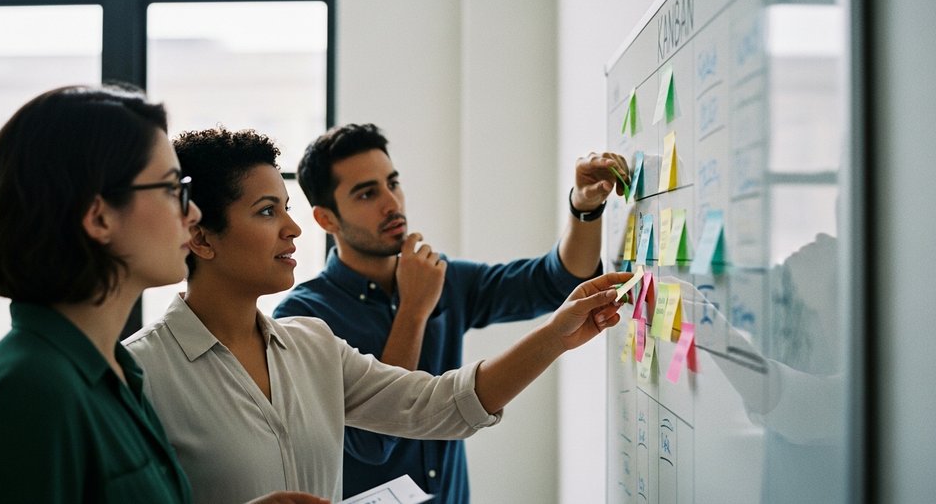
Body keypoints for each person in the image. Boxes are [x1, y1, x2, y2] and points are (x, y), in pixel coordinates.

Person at [123, 127, 631, 503]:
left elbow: (442, 403)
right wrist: (414, 311)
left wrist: (557, 336)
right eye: (266, 211)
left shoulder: (310, 343)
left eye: (285, 206)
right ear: (201, 236)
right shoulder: (137, 375)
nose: (293, 229)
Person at [0, 85, 324, 504]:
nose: (192, 213)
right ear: (99, 216)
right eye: (170, 189)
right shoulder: (29, 388)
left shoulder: (117, 372)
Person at [273, 123, 629, 502]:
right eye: (367, 193)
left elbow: (554, 282)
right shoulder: (303, 318)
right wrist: (413, 308)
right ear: (326, 219)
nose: (391, 203)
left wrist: (585, 209)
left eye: (393, 183)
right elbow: (374, 443)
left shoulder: (441, 277)